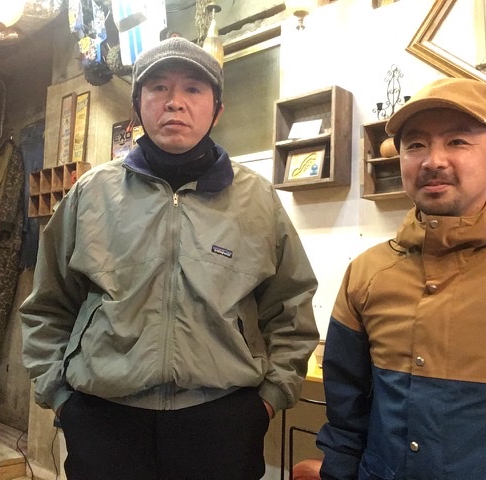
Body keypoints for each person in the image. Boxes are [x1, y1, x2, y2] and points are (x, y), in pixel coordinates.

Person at [20, 36, 319, 480]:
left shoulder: (257, 198)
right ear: (137, 106)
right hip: (103, 420)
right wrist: (61, 398)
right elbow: (48, 304)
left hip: (222, 422)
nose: (174, 102)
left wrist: (268, 399)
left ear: (217, 109)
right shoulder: (92, 193)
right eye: (158, 87)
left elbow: (291, 306)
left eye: (193, 89)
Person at [316, 77, 486, 480]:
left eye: (457, 141)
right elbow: (346, 414)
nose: (433, 160)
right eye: (415, 145)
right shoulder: (366, 271)